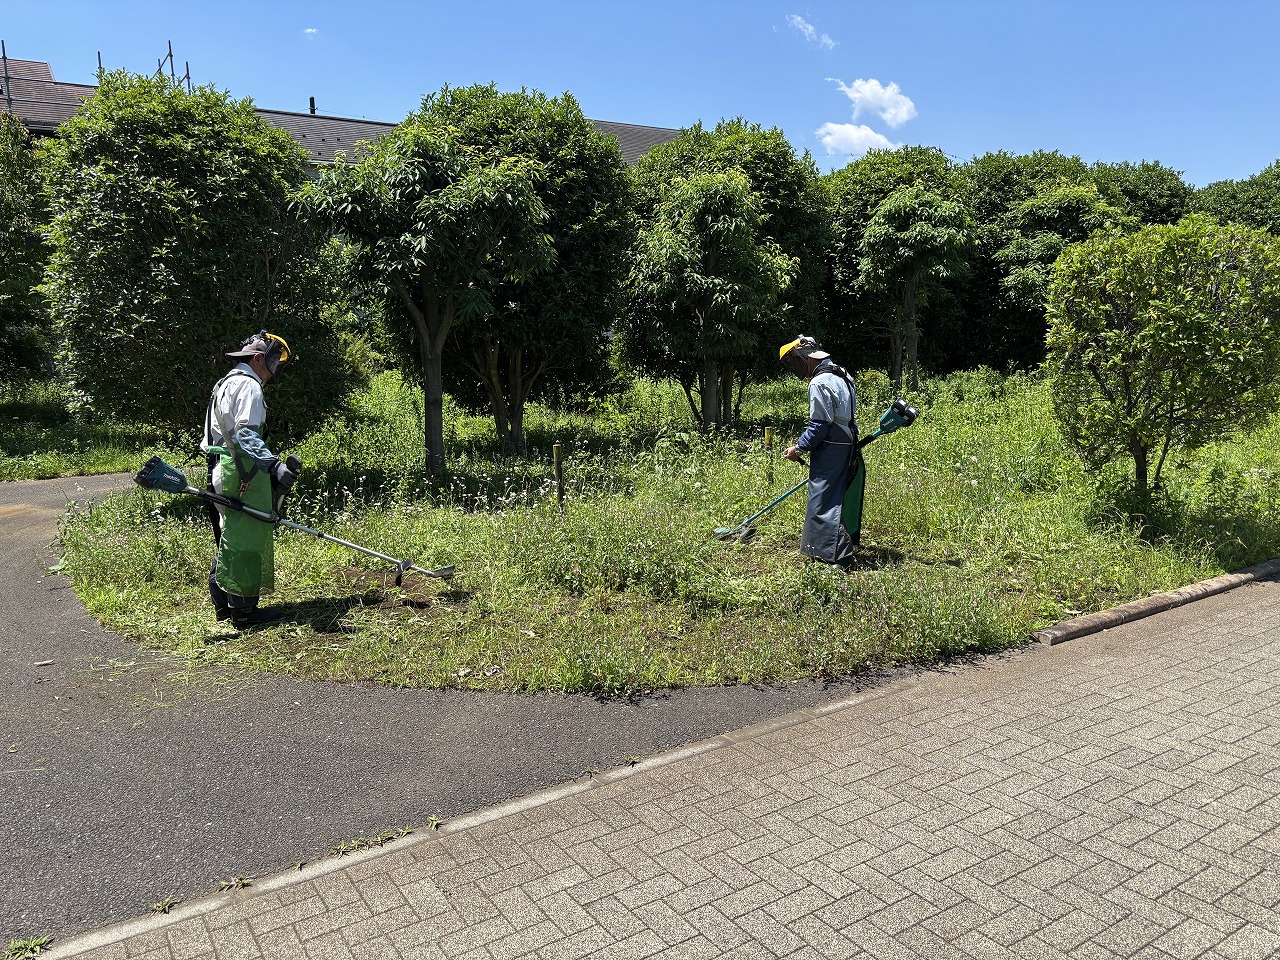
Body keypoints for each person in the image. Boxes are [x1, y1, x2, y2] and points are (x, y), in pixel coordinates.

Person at [202, 330, 299, 629]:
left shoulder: (226, 383)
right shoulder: (249, 387)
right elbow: (245, 434)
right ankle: (244, 613)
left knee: (231, 534)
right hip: (240, 470)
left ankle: (224, 604)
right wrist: (274, 466)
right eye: (272, 361)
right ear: (257, 358)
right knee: (247, 538)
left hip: (220, 467)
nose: (273, 369)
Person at [779, 335, 864, 567]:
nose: (795, 367)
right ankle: (832, 551)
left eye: (794, 362)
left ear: (805, 359)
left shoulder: (819, 382)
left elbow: (819, 426)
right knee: (833, 497)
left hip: (831, 447)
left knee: (823, 501)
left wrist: (798, 448)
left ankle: (840, 558)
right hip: (847, 443)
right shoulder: (842, 373)